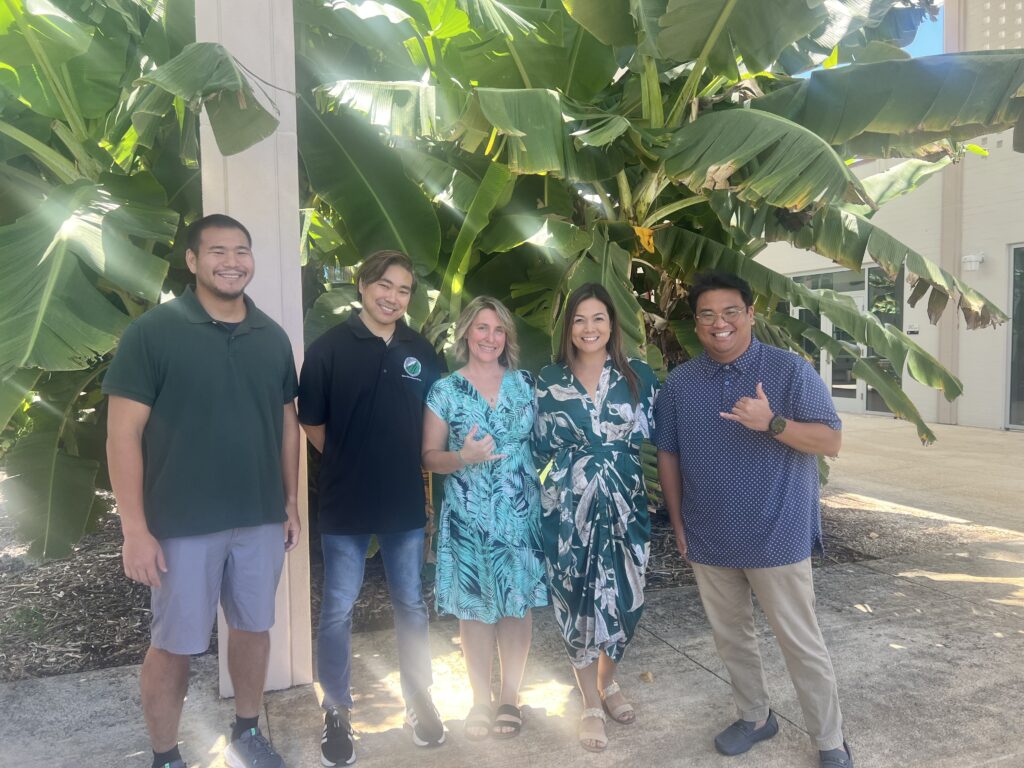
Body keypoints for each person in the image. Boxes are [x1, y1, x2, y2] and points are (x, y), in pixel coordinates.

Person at [104, 214, 301, 768]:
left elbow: (286, 424)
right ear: (192, 261)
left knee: (253, 628)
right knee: (174, 645)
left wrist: (287, 503)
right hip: (182, 523)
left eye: (242, 250)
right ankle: (165, 756)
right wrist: (135, 530)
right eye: (217, 251)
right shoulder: (154, 333)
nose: (231, 261)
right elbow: (123, 434)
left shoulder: (271, 336)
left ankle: (246, 730)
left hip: (260, 517)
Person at [655, 271, 854, 768]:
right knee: (731, 638)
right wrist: (679, 526)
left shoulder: (788, 371)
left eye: (729, 312)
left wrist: (774, 423)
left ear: (749, 315)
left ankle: (829, 740)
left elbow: (831, 440)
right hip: (710, 536)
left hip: (777, 535)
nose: (719, 323)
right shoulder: (680, 384)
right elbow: (669, 458)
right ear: (696, 324)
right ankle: (754, 716)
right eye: (707, 315)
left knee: (800, 643)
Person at [298, 250, 444, 766]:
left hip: (404, 502)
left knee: (410, 603)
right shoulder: (328, 349)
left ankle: (419, 698)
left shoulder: (421, 350)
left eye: (404, 290)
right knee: (338, 607)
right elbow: (313, 422)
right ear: (362, 286)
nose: (393, 297)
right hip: (345, 502)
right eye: (385, 285)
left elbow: (436, 421)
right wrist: (348, 458)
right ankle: (336, 711)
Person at [532, 282, 659, 753]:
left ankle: (609, 681)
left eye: (598, 318)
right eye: (580, 319)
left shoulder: (638, 377)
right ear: (569, 328)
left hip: (627, 507)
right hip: (569, 509)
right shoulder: (547, 380)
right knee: (576, 601)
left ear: (612, 324)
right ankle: (589, 701)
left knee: (624, 598)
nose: (590, 328)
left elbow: (664, 439)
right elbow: (536, 449)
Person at [422, 297, 548, 741]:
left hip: (519, 514)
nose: (490, 337)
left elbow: (548, 440)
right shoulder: (444, 390)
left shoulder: (525, 384)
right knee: (474, 609)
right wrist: (462, 456)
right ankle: (480, 698)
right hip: (469, 515)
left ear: (507, 338)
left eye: (498, 330)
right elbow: (429, 457)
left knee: (516, 605)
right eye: (481, 328)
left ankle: (510, 697)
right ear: (466, 334)